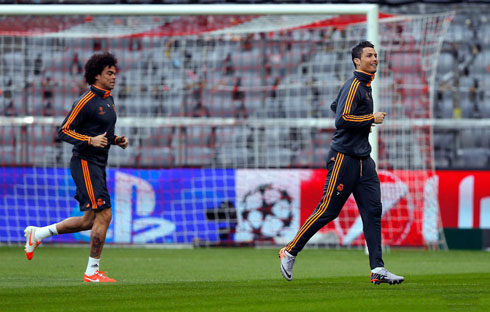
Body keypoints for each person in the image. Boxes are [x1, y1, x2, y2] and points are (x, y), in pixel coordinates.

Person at [279, 41, 404, 285]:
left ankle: (378, 268)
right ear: (357, 61)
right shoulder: (355, 84)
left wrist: (362, 120)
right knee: (329, 210)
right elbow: (342, 118)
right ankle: (290, 250)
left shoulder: (364, 86)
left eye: (376, 54)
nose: (375, 58)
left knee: (373, 211)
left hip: (363, 160)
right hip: (344, 158)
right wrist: (371, 118)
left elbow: (336, 106)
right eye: (370, 55)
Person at [24, 52, 129, 283]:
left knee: (88, 220)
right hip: (85, 162)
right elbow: (63, 130)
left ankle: (38, 233)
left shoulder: (108, 100)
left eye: (115, 73)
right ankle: (92, 272)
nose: (114, 77)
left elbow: (101, 133)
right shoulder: (85, 101)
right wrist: (89, 141)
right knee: (105, 214)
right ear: (96, 75)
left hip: (99, 164)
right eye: (109, 73)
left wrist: (115, 139)